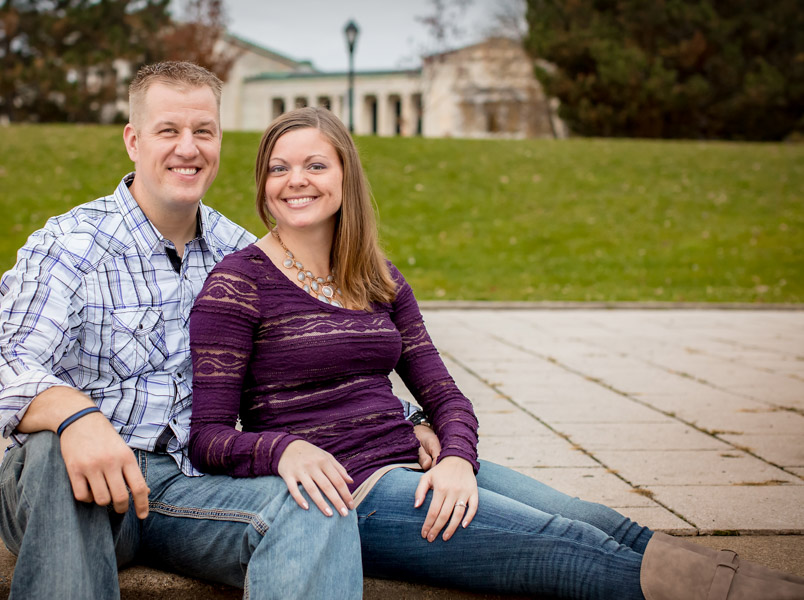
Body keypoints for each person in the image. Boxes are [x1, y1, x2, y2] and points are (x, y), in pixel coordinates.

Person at [187, 106, 804, 600]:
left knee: (601, 520)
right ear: (263, 186)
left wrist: (456, 456)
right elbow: (209, 437)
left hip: (423, 468)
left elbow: (446, 395)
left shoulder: (376, 275)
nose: (296, 181)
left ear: (345, 175)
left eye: (315, 165)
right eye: (279, 168)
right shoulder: (238, 282)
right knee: (565, 546)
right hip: (356, 497)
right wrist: (284, 447)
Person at [0, 62, 378, 599]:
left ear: (218, 141)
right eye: (169, 131)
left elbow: (317, 359)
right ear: (133, 140)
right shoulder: (70, 244)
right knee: (51, 451)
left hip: (187, 488)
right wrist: (77, 417)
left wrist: (412, 421)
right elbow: (1, 361)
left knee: (319, 507)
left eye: (203, 131)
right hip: (67, 486)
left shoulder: (243, 257)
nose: (188, 148)